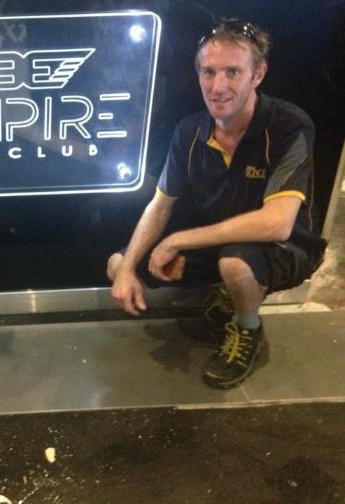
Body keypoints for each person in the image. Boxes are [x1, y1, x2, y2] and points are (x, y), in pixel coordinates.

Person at [107, 19, 326, 389]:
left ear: (258, 74)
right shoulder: (190, 131)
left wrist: (177, 241)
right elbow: (159, 207)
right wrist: (129, 268)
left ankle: (247, 330)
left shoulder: (289, 125)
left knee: (236, 262)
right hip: (218, 241)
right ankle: (225, 298)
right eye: (208, 72)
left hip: (286, 247)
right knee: (118, 263)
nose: (218, 86)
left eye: (232, 72)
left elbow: (278, 223)